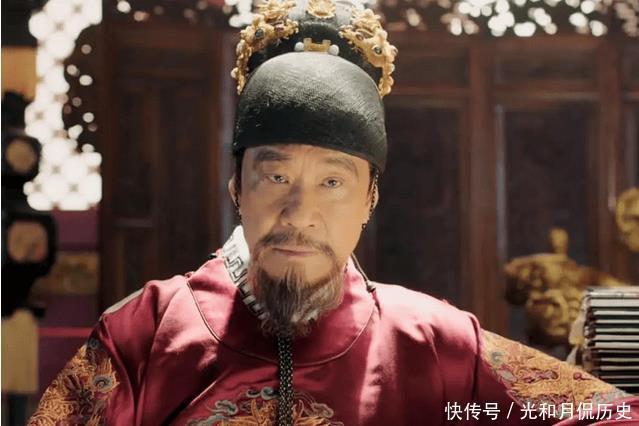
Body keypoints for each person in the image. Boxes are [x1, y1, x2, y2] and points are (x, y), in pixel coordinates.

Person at [28, 0, 639, 424]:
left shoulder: (434, 343)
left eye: (332, 182)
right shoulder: (144, 336)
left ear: (370, 198)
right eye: (276, 176)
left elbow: (609, 413)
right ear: (237, 187)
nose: (302, 212)